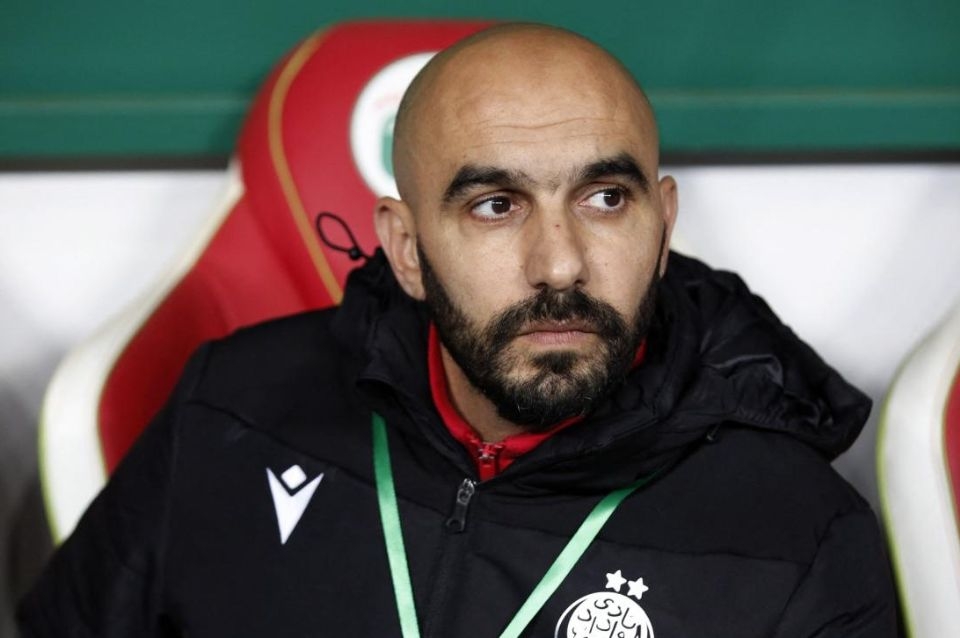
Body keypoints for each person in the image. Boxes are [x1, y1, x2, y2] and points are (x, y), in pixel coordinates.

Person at [19, 23, 896, 637]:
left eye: (604, 198)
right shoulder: (233, 408)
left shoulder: (799, 535)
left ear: (662, 227)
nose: (560, 264)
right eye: (495, 205)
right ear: (406, 249)